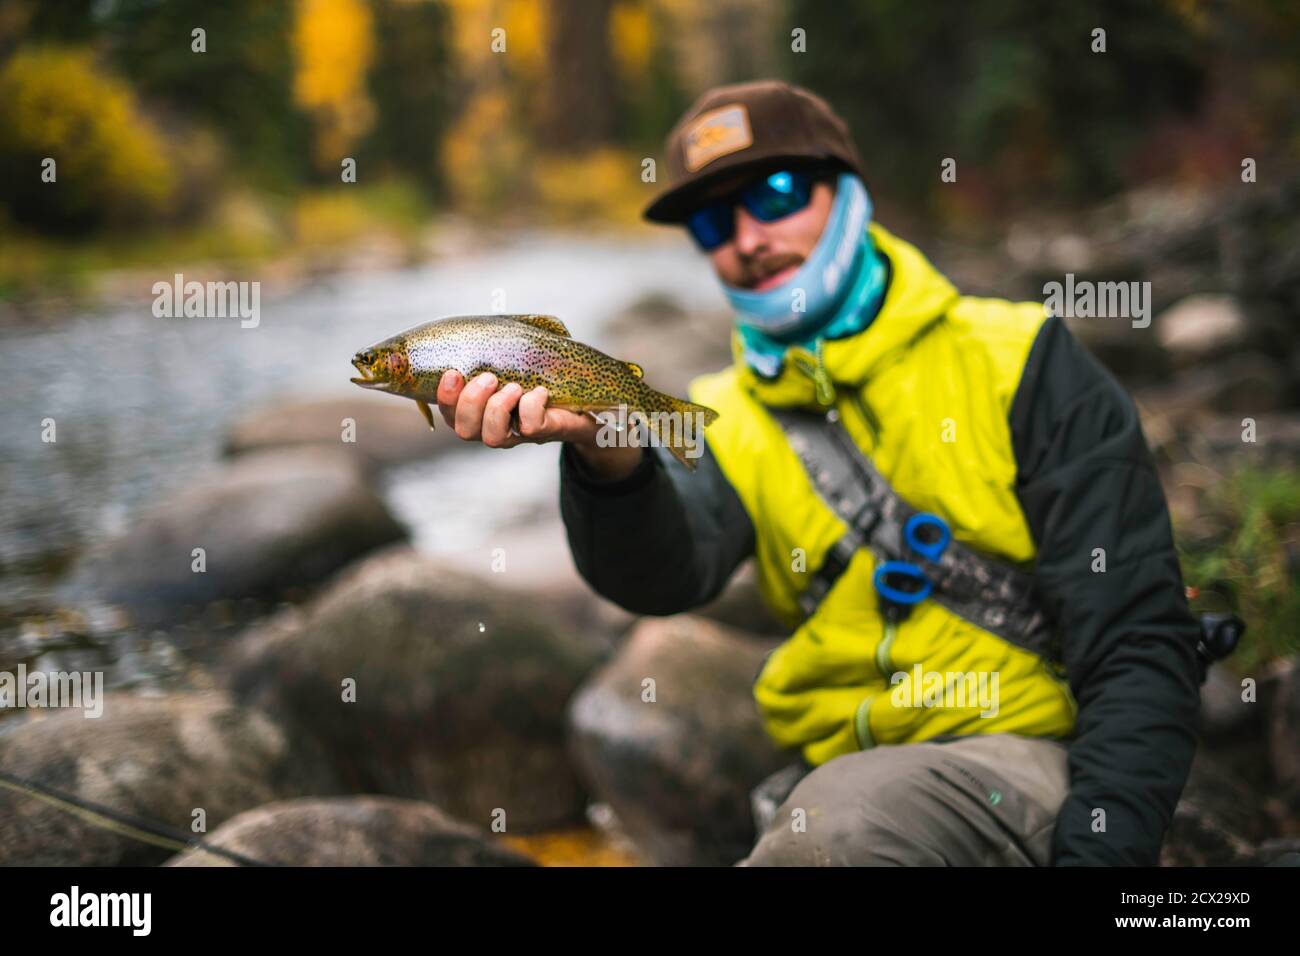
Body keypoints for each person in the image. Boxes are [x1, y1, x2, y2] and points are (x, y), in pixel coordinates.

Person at [434, 80, 1202, 866]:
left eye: (775, 193)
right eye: (709, 220)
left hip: (1032, 761)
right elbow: (665, 574)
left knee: (838, 828)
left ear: (847, 189)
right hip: (837, 784)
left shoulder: (1021, 359)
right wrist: (607, 455)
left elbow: (1138, 639)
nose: (745, 237)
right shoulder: (714, 414)